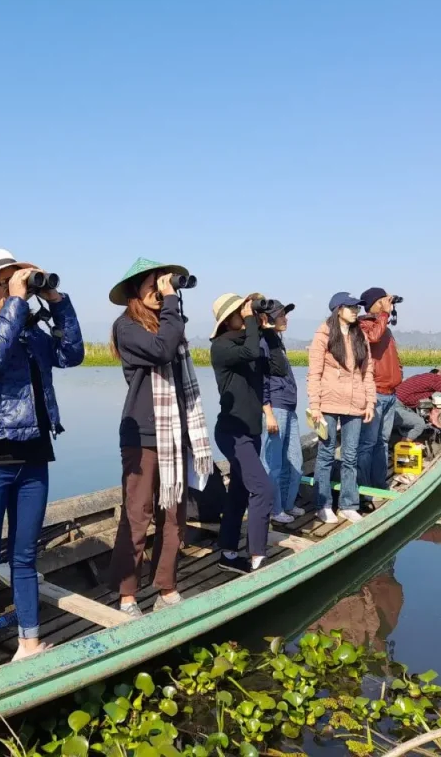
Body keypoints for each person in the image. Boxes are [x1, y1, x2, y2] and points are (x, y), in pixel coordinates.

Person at [0, 248, 84, 668]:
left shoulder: (31, 334)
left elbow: (72, 355)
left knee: (25, 556)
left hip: (34, 456)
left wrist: (58, 303)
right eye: (5, 280)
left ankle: (28, 642)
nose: (16, 286)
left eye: (18, 278)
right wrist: (16, 302)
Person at [106, 258, 214, 617]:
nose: (161, 290)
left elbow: (170, 340)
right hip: (141, 435)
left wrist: (171, 305)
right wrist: (171, 303)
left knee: (174, 515)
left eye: (165, 283)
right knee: (138, 514)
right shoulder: (126, 327)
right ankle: (126, 595)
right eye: (155, 283)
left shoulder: (168, 323)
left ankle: (166, 586)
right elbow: (161, 350)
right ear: (136, 289)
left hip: (173, 432)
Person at [210, 292, 289, 574]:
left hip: (251, 431)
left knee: (240, 491)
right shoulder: (221, 346)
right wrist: (251, 322)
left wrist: (269, 333)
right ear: (227, 320)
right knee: (263, 488)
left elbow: (279, 368)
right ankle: (258, 557)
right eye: (240, 312)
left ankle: (228, 554)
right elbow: (250, 352)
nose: (247, 315)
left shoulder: (251, 345)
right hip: (232, 431)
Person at [307, 292, 376, 524]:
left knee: (350, 455)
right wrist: (314, 407)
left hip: (355, 405)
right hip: (327, 403)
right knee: (325, 454)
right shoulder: (323, 335)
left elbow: (367, 373)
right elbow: (314, 374)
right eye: (351, 307)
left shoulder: (360, 336)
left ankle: (348, 504)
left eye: (357, 307)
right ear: (338, 309)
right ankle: (323, 504)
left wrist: (370, 402)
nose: (356, 310)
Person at [259, 302, 305, 524]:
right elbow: (262, 381)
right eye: (280, 315)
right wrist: (267, 412)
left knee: (295, 459)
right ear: (268, 319)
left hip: (289, 407)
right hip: (275, 407)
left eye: (285, 315)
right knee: (273, 462)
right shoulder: (263, 343)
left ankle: (287, 504)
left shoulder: (277, 342)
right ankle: (274, 509)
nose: (285, 319)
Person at [356, 287, 403, 491]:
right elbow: (373, 338)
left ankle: (379, 484)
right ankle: (364, 489)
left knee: (382, 442)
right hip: (374, 392)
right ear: (374, 303)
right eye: (383, 300)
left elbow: (392, 355)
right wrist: (384, 313)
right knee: (367, 443)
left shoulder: (386, 327)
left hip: (390, 393)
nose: (387, 303)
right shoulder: (362, 325)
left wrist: (399, 374)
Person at [394, 367, 441, 441]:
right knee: (419, 424)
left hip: (401, 405)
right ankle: (404, 445)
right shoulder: (433, 378)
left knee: (423, 423)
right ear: (440, 373)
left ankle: (405, 439)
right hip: (395, 406)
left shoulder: (423, 378)